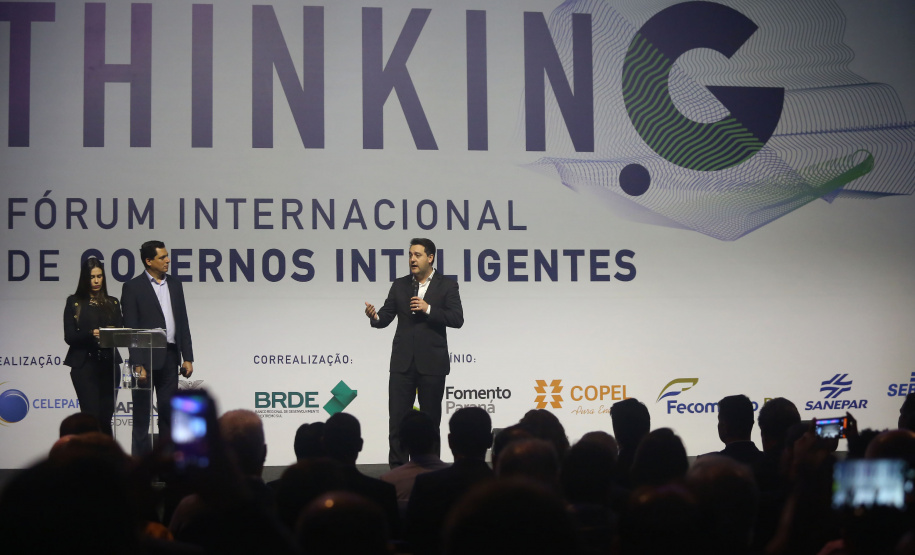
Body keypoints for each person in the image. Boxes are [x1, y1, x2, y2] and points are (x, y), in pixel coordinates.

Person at [364, 238, 464, 467]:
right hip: (402, 364)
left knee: (430, 423)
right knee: (397, 422)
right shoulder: (400, 285)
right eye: (410, 255)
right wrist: (375, 317)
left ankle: (431, 471)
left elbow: (457, 319)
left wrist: (428, 308)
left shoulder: (447, 285)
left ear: (430, 258)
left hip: (432, 364)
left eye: (417, 255)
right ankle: (398, 472)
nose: (412, 259)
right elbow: (385, 316)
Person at [121, 240, 195, 456]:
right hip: (143, 361)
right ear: (148, 261)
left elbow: (182, 323)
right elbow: (131, 330)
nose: (167, 260)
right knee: (142, 418)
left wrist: (187, 357)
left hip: (170, 358)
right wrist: (137, 364)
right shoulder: (132, 287)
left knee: (168, 416)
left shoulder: (175, 284)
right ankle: (142, 471)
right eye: (162, 257)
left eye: (167, 256)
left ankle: (167, 468)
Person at [63, 257, 123, 436]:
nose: (96, 281)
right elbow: (70, 337)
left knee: (106, 418)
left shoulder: (112, 303)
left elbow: (120, 332)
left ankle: (108, 461)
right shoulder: (74, 302)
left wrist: (110, 333)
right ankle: (89, 459)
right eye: (92, 277)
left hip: (109, 365)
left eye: (99, 276)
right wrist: (92, 333)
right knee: (90, 418)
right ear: (84, 279)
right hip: (84, 365)